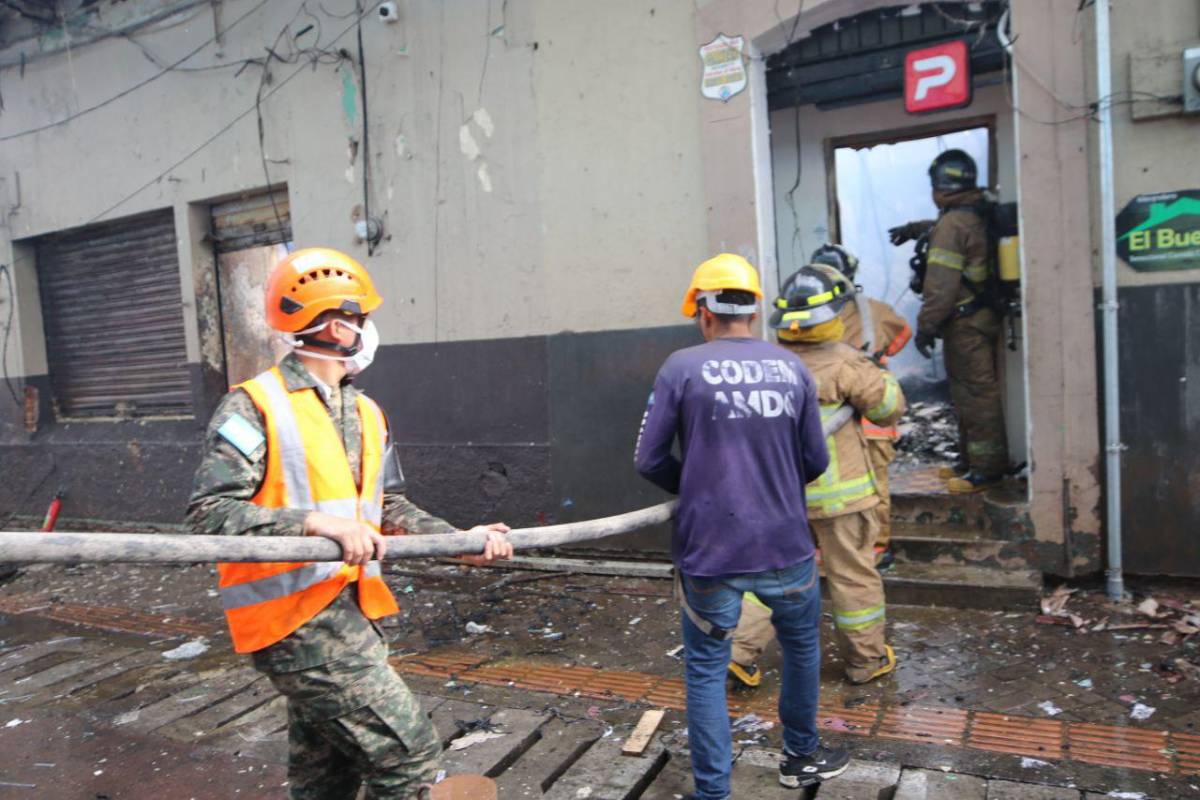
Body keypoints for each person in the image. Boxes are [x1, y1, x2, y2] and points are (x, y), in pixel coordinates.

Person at [187, 247, 513, 800]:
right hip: (293, 624)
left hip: (353, 616)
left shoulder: (366, 413)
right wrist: (315, 523)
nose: (367, 326)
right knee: (408, 756)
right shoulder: (251, 408)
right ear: (337, 325)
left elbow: (388, 507)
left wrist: (460, 542)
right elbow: (209, 517)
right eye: (361, 315)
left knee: (327, 775)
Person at [635, 253, 849, 797]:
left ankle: (714, 793)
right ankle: (800, 757)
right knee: (802, 651)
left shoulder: (680, 368)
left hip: (712, 551)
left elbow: (649, 459)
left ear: (703, 312)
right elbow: (816, 460)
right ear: (754, 309)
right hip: (786, 546)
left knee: (707, 669)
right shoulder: (792, 368)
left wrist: (701, 487)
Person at [889, 149, 1009, 493]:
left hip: (965, 322)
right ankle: (971, 462)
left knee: (975, 394)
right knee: (968, 392)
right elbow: (949, 230)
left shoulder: (954, 223)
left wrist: (925, 327)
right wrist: (916, 229)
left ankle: (986, 470)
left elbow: (940, 287)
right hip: (980, 315)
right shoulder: (974, 212)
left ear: (940, 186)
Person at [811, 243, 911, 566]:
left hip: (827, 420)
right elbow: (902, 336)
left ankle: (823, 548)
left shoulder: (807, 316)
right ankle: (876, 549)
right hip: (872, 414)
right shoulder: (876, 310)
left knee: (821, 484)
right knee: (875, 486)